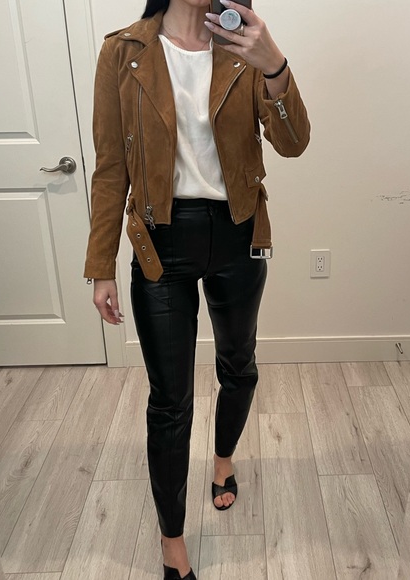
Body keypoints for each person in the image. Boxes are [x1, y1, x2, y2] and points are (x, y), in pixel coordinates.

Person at [83, 0, 310, 578]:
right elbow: (110, 166)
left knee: (239, 366)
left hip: (238, 233)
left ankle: (223, 458)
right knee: (169, 402)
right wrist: (101, 263)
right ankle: (172, 541)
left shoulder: (243, 47)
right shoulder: (124, 52)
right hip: (162, 242)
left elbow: (293, 142)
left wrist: (274, 64)